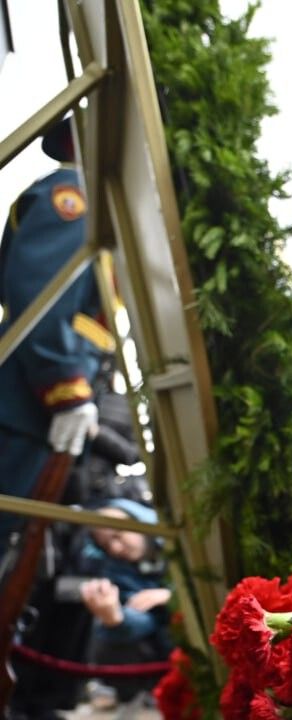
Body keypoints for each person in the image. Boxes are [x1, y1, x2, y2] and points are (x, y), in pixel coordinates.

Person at [0, 117, 107, 556]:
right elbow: (42, 300)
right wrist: (69, 390)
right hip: (23, 402)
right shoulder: (76, 194)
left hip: (30, 406)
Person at [77, 499, 172, 705]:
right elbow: (145, 619)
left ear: (138, 522)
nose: (115, 548)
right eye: (105, 545)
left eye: (117, 535)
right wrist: (115, 619)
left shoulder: (178, 544)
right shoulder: (116, 570)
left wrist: (171, 597)